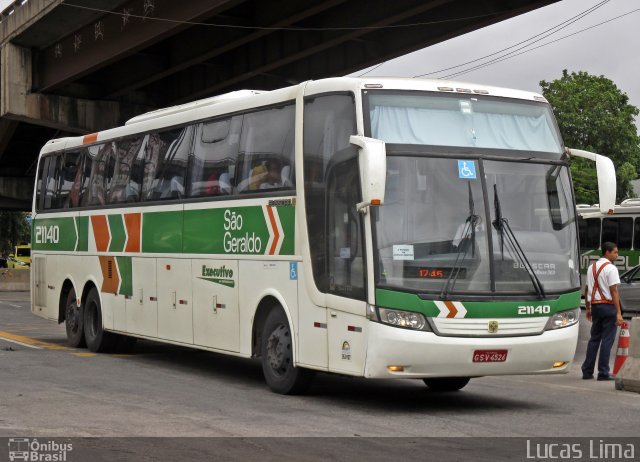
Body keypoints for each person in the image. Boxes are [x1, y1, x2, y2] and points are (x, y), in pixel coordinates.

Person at [581, 241, 624, 381]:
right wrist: (618, 312)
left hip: (596, 307)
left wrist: (588, 307)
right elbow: (614, 290)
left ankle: (587, 371)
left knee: (594, 339)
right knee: (607, 340)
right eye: (615, 252)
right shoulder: (611, 269)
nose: (617, 255)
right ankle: (603, 372)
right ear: (607, 252)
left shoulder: (591, 267)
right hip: (608, 306)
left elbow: (587, 289)